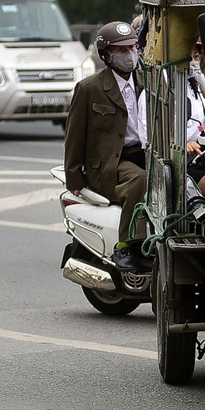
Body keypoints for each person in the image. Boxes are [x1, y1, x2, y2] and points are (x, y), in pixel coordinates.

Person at [64, 21, 150, 272]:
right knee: (139, 181)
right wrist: (74, 178)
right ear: (106, 55)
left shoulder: (148, 81)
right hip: (109, 163)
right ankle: (126, 245)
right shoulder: (90, 88)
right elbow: (74, 136)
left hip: (143, 153)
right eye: (121, 51)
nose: (129, 55)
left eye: (132, 48)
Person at [186, 38, 205, 203]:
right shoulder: (167, 88)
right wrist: (183, 146)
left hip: (201, 154)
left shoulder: (193, 84)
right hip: (181, 161)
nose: (195, 61)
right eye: (192, 56)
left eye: (198, 56)